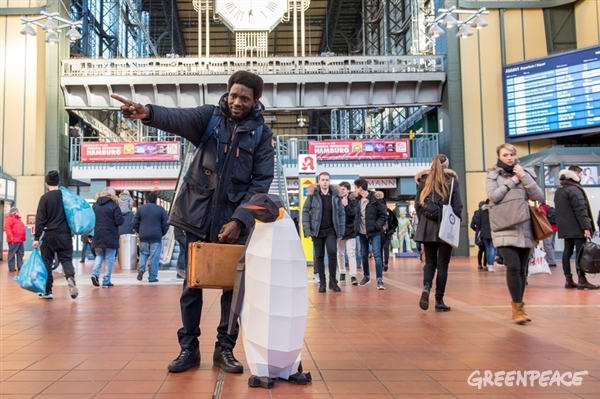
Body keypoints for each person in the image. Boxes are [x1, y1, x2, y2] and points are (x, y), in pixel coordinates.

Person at [111, 70, 274, 375]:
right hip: (195, 217)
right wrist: (147, 113)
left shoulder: (261, 135)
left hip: (232, 223)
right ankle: (189, 349)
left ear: (255, 101)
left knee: (233, 290)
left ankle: (224, 349)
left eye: (245, 99)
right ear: (228, 92)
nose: (238, 102)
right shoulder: (209, 118)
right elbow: (177, 117)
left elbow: (262, 181)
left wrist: (240, 219)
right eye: (235, 95)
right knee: (191, 286)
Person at [487, 144, 543, 324]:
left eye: (512, 154)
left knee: (522, 268)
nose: (509, 158)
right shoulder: (493, 175)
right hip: (504, 226)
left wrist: (523, 176)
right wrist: (513, 181)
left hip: (525, 226)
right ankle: (517, 308)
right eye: (505, 155)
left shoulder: (526, 172)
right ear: (499, 156)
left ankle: (519, 307)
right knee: (513, 265)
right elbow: (493, 196)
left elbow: (537, 196)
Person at [414, 154, 462, 312]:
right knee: (443, 265)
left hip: (427, 228)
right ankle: (439, 300)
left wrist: (425, 220)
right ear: (447, 165)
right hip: (445, 228)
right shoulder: (452, 182)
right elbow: (458, 206)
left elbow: (417, 206)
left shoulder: (423, 181)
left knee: (430, 262)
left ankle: (426, 287)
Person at [32, 170, 79, 300]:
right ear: (58, 182)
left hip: (49, 235)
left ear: (47, 183)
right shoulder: (66, 197)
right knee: (66, 260)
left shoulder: (45, 198)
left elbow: (40, 220)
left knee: (47, 262)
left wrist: (36, 238)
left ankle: (48, 291)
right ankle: (70, 277)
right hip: (65, 235)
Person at [554, 165, 598, 290]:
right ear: (575, 174)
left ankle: (568, 279)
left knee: (567, 253)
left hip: (565, 228)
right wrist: (586, 227)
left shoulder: (560, 189)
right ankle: (582, 279)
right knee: (581, 254)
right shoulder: (575, 189)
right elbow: (581, 210)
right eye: (580, 174)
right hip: (577, 228)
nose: (581, 176)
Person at [302, 172, 345, 293]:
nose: (325, 182)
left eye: (327, 180)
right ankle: (322, 282)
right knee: (319, 256)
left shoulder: (335, 196)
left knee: (332, 252)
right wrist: (307, 230)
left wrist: (341, 231)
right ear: (319, 181)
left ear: (329, 181)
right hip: (317, 231)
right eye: (323, 180)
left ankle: (333, 281)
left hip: (331, 230)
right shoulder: (312, 195)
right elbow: (305, 211)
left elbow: (341, 214)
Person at [354, 178, 387, 290]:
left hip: (375, 232)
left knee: (377, 255)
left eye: (355, 187)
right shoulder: (357, 200)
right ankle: (366, 277)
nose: (354, 190)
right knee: (363, 255)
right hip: (362, 233)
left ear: (360, 188)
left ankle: (379, 280)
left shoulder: (375, 199)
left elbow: (384, 215)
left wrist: (376, 226)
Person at [91, 187, 124, 288]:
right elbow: (119, 221)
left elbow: (91, 220)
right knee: (110, 258)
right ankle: (106, 281)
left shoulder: (95, 205)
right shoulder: (114, 206)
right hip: (110, 235)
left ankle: (95, 274)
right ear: (112, 195)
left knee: (99, 255)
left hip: (97, 234)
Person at [133, 192, 169, 283]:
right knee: (154, 257)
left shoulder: (141, 209)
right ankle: (152, 277)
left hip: (144, 236)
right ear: (156, 200)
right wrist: (162, 233)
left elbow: (134, 222)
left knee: (143, 254)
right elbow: (166, 223)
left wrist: (139, 231)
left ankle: (141, 270)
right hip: (156, 236)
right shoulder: (160, 209)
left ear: (147, 199)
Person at [336, 181, 358, 285]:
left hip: (351, 230)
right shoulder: (336, 200)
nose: (341, 191)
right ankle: (342, 272)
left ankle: (353, 275)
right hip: (340, 230)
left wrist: (346, 206)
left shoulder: (353, 200)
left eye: (343, 189)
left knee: (351, 252)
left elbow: (354, 214)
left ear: (348, 190)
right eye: (340, 189)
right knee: (340, 253)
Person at [4, 207, 26, 271]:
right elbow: (7, 228)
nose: (18, 212)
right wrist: (11, 237)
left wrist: (23, 237)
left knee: (20, 253)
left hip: (20, 240)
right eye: (17, 211)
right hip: (13, 239)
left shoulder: (18, 219)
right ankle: (11, 267)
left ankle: (20, 266)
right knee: (12, 253)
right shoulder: (9, 218)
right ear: (14, 212)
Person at [539, 202, 557, 268]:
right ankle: (547, 260)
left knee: (547, 245)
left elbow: (541, 219)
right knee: (551, 244)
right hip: (554, 228)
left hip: (548, 229)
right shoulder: (548, 207)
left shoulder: (542, 208)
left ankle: (551, 262)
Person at [480, 199, 496, 272]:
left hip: (484, 233)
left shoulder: (481, 212)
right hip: (492, 232)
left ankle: (488, 264)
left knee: (487, 249)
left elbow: (478, 223)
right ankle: (491, 264)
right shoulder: (493, 211)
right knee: (493, 248)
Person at [470, 201, 486, 270]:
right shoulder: (485, 213)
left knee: (480, 249)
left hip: (478, 234)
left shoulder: (476, 213)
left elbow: (472, 225)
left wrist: (476, 230)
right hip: (485, 233)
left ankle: (479, 264)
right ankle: (485, 264)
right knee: (486, 249)